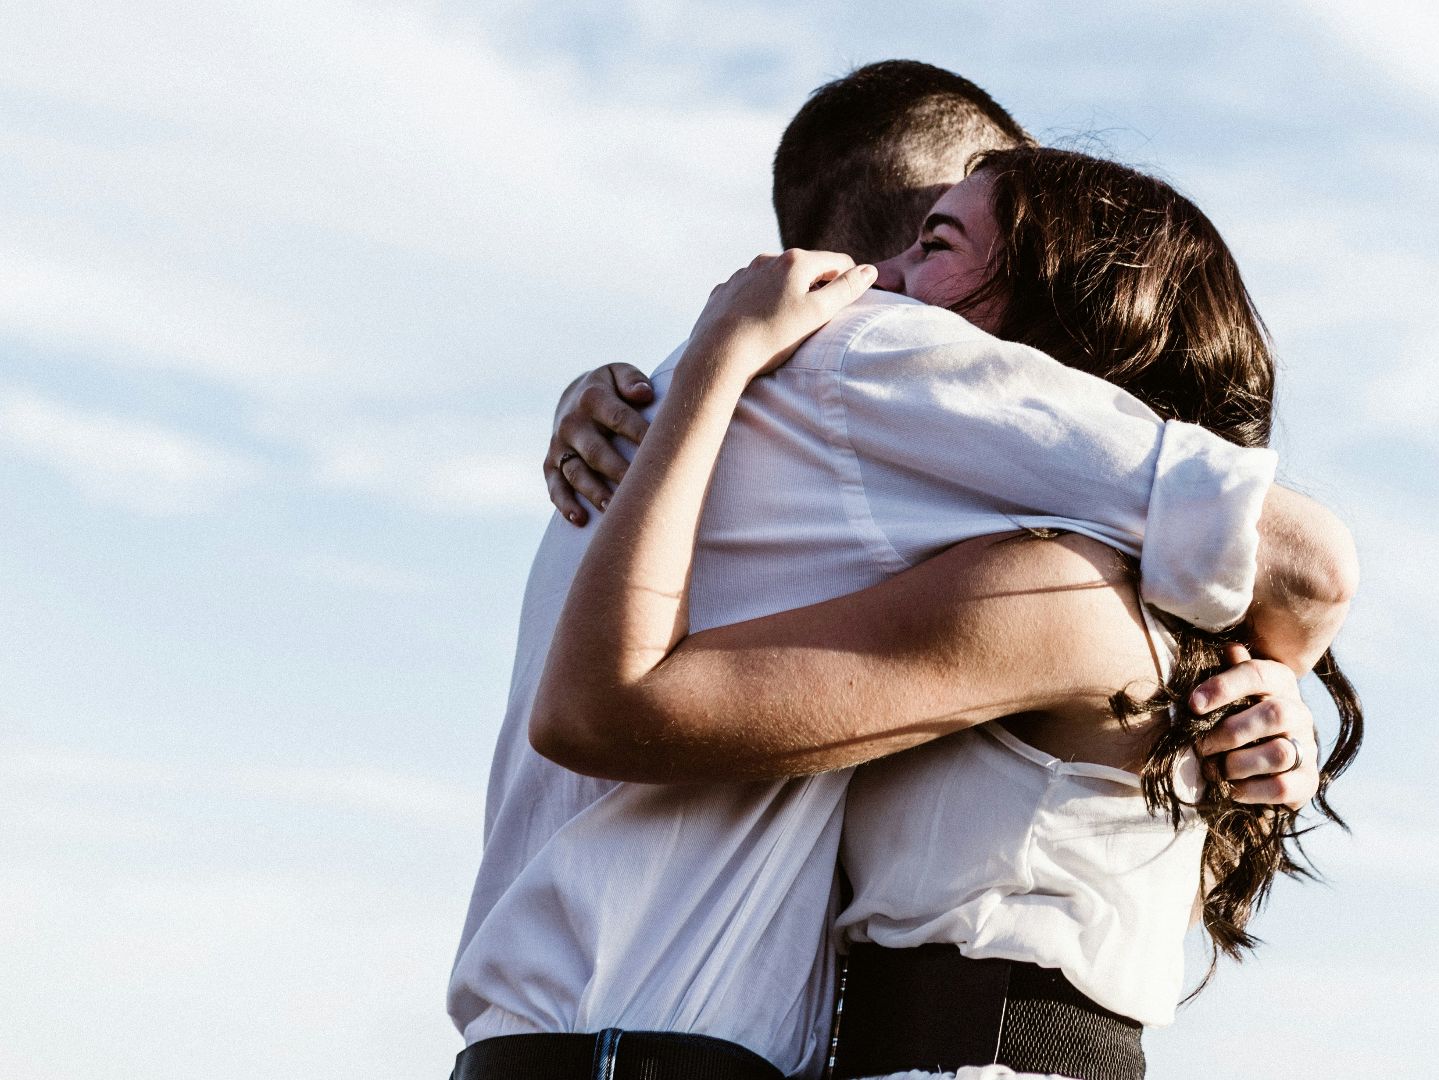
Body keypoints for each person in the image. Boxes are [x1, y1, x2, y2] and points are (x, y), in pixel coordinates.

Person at [449, 62, 1354, 1080]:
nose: (877, 293)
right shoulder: (870, 439)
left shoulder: (1063, 592)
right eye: (925, 236)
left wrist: (1271, 672)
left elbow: (1307, 566)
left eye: (938, 249)